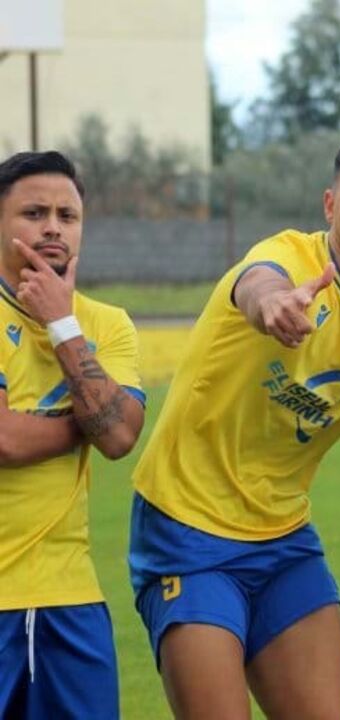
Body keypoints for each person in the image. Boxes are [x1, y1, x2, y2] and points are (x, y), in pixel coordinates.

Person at [128, 131, 340, 719]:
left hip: (283, 539)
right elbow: (258, 283)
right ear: (330, 204)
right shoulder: (289, 258)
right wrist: (273, 304)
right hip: (186, 529)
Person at [0, 151, 145, 719]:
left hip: (70, 595)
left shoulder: (107, 323)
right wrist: (90, 421)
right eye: (33, 213)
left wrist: (62, 325)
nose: (53, 228)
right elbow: (6, 441)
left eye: (67, 215)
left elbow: (120, 439)